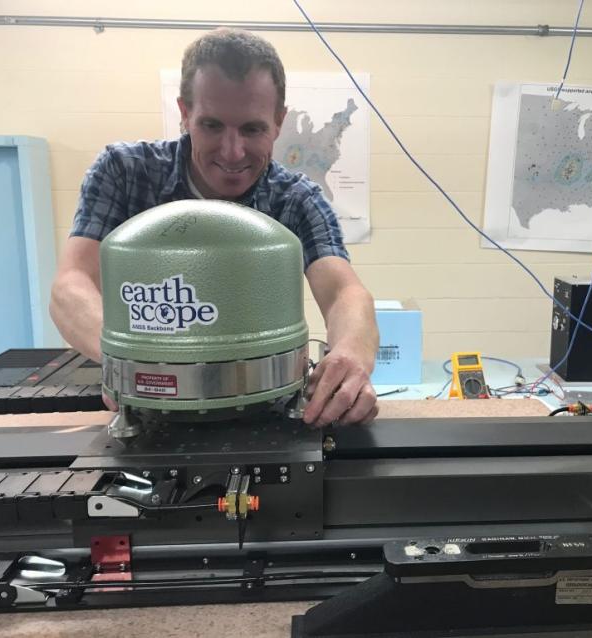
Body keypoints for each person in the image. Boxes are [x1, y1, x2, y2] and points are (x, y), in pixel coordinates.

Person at [50, 29, 379, 427]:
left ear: (278, 122)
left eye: (252, 129)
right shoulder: (124, 171)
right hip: (146, 410)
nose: (232, 151)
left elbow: (344, 290)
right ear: (184, 112)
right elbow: (70, 285)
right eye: (211, 125)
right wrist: (140, 361)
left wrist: (352, 354)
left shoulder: (295, 197)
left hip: (261, 413)